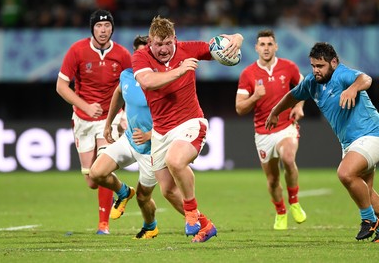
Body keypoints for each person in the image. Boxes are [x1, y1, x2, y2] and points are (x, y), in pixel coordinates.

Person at [132, 15, 243, 243]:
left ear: (175, 39)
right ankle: (206, 225)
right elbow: (148, 82)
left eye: (167, 43)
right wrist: (181, 70)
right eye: (158, 44)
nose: (163, 49)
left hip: (190, 122)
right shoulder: (140, 56)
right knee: (168, 191)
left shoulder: (188, 48)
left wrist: (237, 38)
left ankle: (191, 211)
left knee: (175, 161)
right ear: (150, 42)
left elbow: (217, 45)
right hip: (161, 130)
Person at [265, 42, 379, 242]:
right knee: (365, 192)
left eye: (321, 66)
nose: (316, 70)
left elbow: (365, 78)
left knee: (345, 173)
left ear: (333, 62)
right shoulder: (311, 83)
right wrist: (275, 111)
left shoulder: (342, 74)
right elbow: (293, 95)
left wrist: (353, 89)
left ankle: (369, 221)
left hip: (371, 134)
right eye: (313, 66)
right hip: (350, 142)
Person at [89, 35, 184, 239]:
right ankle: (123, 192)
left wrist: (151, 134)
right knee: (96, 173)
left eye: (146, 52)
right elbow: (118, 94)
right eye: (139, 53)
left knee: (143, 197)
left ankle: (151, 226)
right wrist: (108, 124)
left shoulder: (161, 79)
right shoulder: (127, 75)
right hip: (129, 140)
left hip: (153, 148)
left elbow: (177, 115)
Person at [56, 9, 132, 235]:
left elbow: (131, 88)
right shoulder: (77, 51)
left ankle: (103, 225)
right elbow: (61, 87)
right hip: (82, 119)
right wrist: (85, 106)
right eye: (99, 26)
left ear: (112, 29)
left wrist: (125, 116)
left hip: (109, 119)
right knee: (92, 179)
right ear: (92, 28)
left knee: (101, 167)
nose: (103, 30)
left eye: (107, 26)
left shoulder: (122, 54)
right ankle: (123, 190)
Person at [235, 29, 307, 230]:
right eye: (262, 45)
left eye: (269, 44)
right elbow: (240, 108)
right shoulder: (248, 74)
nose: (266, 48)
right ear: (256, 48)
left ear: (276, 47)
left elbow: (304, 88)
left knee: (289, 158)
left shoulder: (288, 67)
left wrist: (299, 106)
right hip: (263, 133)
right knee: (273, 179)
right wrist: (255, 97)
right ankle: (281, 212)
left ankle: (294, 201)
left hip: (286, 127)